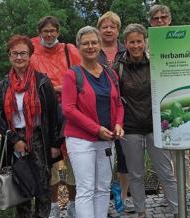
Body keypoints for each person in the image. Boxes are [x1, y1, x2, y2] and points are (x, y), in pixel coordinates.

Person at [113, 23, 178, 218]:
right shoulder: (118, 67)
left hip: (156, 127)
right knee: (136, 174)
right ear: (125, 43)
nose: (135, 46)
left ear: (145, 42)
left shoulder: (156, 62)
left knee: (166, 172)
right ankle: (141, 212)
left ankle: (177, 211)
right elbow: (113, 98)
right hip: (130, 128)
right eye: (131, 42)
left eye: (139, 41)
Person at [0, 35, 60, 218]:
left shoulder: (42, 81)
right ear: (9, 56)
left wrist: (55, 143)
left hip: (39, 137)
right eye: (14, 53)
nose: (19, 57)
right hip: (14, 138)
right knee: (19, 182)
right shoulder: (2, 85)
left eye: (23, 53)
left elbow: (53, 114)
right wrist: (15, 140)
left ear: (30, 55)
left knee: (43, 185)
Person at [62, 26, 124, 218]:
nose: (90, 46)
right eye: (85, 43)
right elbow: (68, 109)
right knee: (86, 189)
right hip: (81, 140)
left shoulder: (110, 73)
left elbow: (119, 104)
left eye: (94, 42)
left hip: (107, 140)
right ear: (78, 47)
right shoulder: (72, 75)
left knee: (103, 188)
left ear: (100, 46)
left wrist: (119, 124)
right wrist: (96, 129)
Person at [30, 15, 81, 218]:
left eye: (53, 31)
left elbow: (81, 77)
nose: (49, 34)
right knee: (47, 162)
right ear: (40, 33)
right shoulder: (33, 54)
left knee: (72, 159)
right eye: (45, 31)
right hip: (44, 114)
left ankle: (73, 203)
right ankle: (50, 206)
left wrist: (56, 88)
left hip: (70, 111)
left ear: (58, 32)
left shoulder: (69, 50)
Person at [148, 4, 190, 195]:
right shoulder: (145, 44)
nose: (160, 21)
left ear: (170, 19)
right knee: (162, 152)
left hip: (177, 100)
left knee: (181, 150)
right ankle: (170, 194)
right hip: (152, 103)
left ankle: (184, 191)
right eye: (156, 19)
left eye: (163, 17)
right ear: (150, 22)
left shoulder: (181, 39)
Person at [97, 11, 133, 212]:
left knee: (124, 157)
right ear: (99, 29)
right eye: (104, 26)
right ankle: (102, 200)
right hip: (100, 111)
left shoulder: (126, 49)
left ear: (118, 30)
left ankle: (124, 198)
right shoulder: (92, 49)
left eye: (112, 26)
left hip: (126, 109)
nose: (108, 30)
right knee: (102, 157)